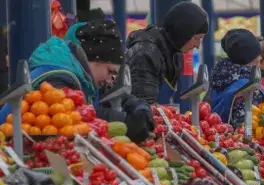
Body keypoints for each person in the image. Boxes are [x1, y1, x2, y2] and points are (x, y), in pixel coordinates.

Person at [0, 19, 154, 142]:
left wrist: (140, 107)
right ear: (94, 60)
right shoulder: (57, 76)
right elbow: (69, 116)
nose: (109, 80)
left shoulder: (84, 76)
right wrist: (125, 121)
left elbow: (111, 95)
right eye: (110, 72)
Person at [125, 1, 209, 105]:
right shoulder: (145, 54)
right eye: (197, 38)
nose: (197, 45)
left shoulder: (172, 53)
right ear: (183, 32)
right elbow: (143, 109)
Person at [208, 29, 264, 127]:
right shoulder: (249, 88)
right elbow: (249, 127)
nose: (260, 59)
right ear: (250, 58)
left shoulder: (218, 81)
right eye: (258, 57)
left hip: (218, 136)